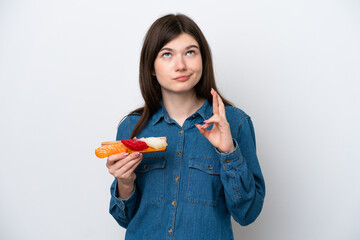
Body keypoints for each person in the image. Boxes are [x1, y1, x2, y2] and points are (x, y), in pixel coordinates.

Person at [105, 13, 265, 239]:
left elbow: (247, 213)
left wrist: (228, 152)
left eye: (190, 52)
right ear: (151, 66)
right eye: (167, 54)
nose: (180, 65)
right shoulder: (131, 127)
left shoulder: (234, 123)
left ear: (203, 59)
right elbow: (125, 219)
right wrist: (125, 182)